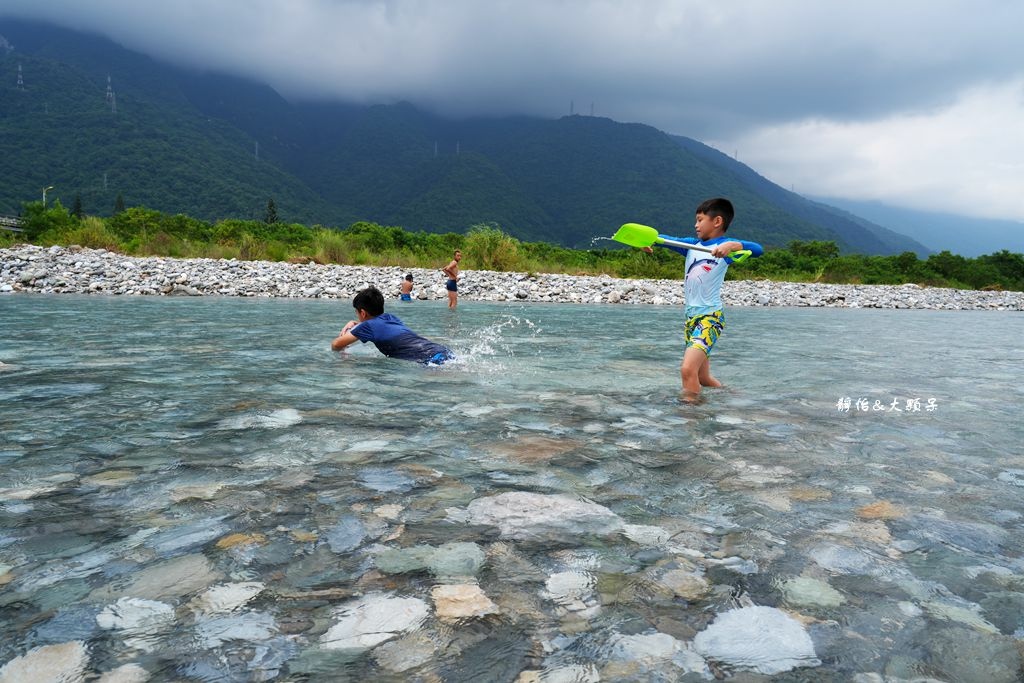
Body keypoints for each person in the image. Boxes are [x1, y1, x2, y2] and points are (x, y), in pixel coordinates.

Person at [640, 197, 763, 400]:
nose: (695, 225)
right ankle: (735, 397)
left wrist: (733, 245)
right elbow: (665, 238)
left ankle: (692, 420)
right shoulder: (692, 245)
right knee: (702, 377)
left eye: (699, 220)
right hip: (691, 319)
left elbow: (758, 249)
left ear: (717, 221)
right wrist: (648, 241)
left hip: (710, 318)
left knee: (687, 370)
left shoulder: (725, 248)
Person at [331, 286, 454, 364]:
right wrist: (353, 323)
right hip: (440, 350)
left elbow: (336, 345)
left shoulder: (367, 327)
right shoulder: (391, 317)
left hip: (431, 359)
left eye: (356, 313)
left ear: (362, 313)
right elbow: (378, 326)